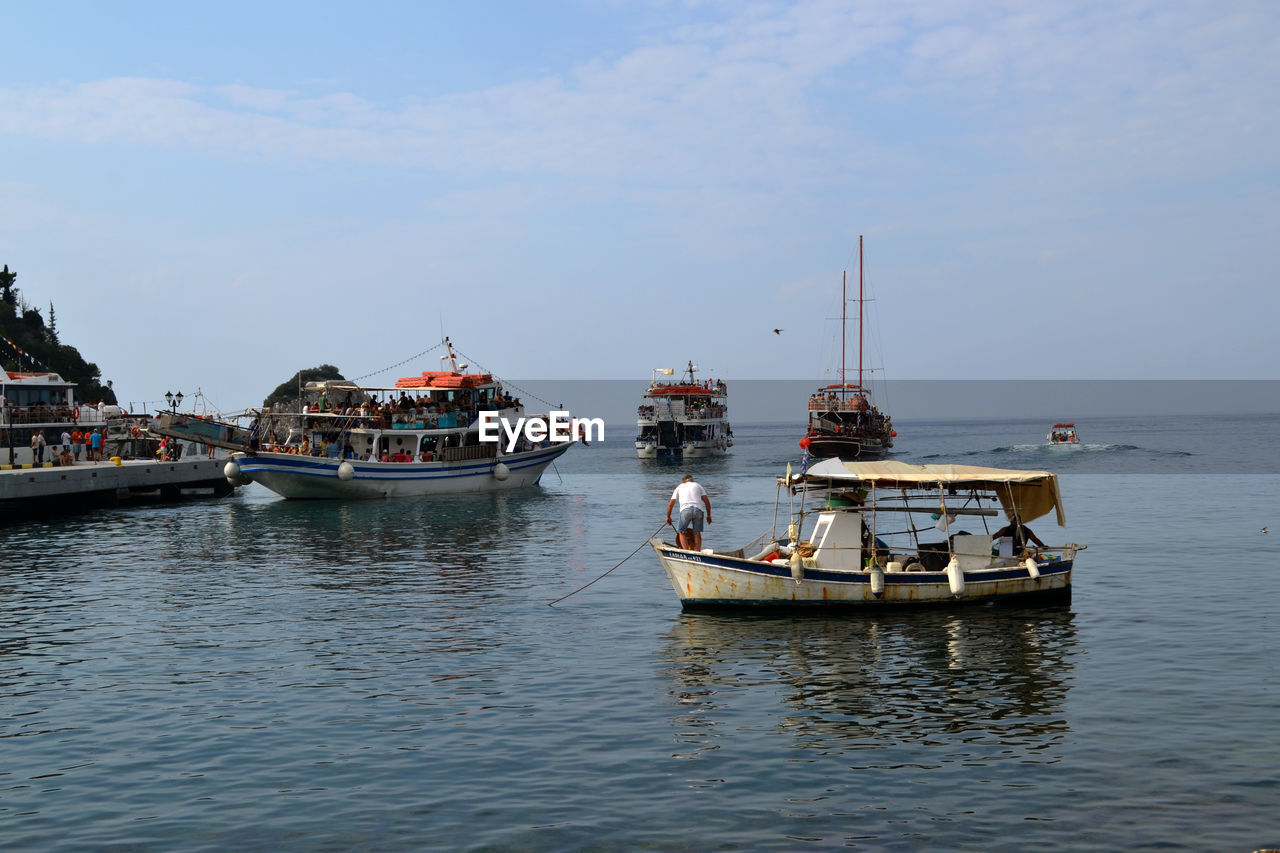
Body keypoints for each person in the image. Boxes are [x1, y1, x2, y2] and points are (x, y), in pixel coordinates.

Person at [665, 474, 712, 551]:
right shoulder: (698, 485)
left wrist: (668, 517)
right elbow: (707, 502)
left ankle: (686, 551)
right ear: (692, 480)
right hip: (698, 510)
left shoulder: (679, 487)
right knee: (697, 532)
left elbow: (670, 505)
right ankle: (697, 552)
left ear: (683, 481)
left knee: (681, 532)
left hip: (685, 510)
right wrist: (709, 516)